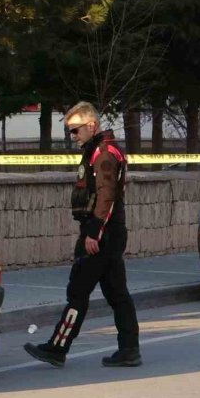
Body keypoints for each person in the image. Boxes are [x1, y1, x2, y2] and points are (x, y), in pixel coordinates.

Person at [24, 101, 141, 368]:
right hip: (109, 233)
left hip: (101, 234)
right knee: (117, 294)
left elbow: (106, 196)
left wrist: (93, 233)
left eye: (75, 130)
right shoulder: (97, 150)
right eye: (69, 132)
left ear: (91, 125)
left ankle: (57, 347)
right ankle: (129, 349)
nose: (72, 137)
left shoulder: (103, 153)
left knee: (78, 291)